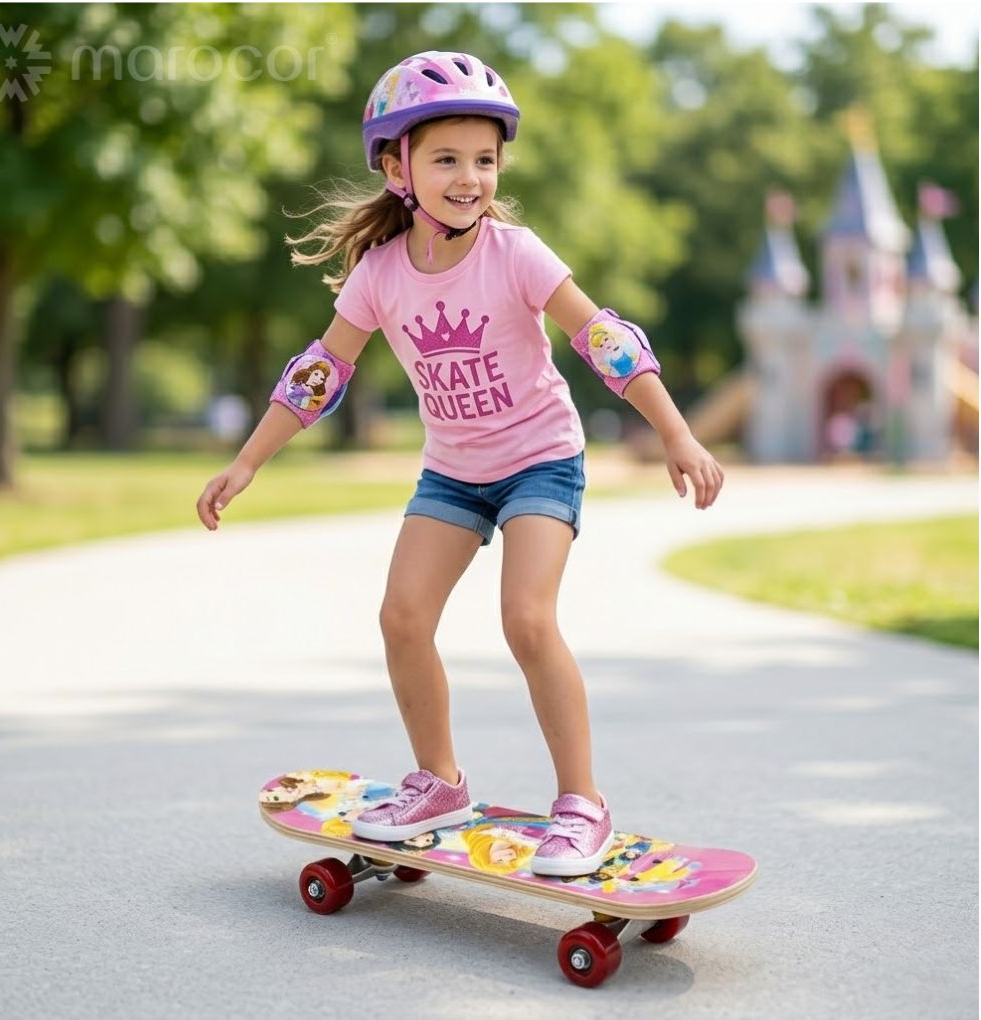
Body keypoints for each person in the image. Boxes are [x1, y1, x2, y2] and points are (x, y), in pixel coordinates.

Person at [196, 51, 724, 877]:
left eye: (485, 158)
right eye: (447, 159)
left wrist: (676, 431)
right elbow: (319, 372)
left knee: (527, 619)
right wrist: (247, 462)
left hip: (541, 460)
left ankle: (581, 803)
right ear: (398, 167)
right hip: (452, 471)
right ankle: (440, 782)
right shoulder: (378, 273)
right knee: (401, 617)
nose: (471, 177)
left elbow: (602, 339)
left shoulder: (516, 253)